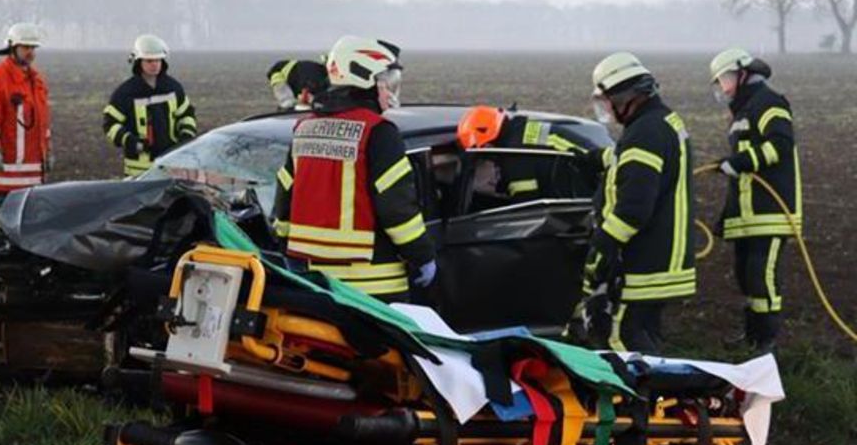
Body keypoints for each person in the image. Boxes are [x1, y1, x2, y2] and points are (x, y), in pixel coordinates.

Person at [271, 36, 437, 303]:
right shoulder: (378, 132)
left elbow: (284, 197)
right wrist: (423, 256)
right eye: (386, 83)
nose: (389, 92)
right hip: (375, 283)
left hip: (318, 283)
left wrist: (286, 247)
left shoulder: (305, 129)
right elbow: (396, 208)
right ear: (365, 80)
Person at [581, 52, 695, 353]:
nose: (608, 110)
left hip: (645, 262)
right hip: (663, 258)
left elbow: (633, 208)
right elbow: (638, 168)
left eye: (608, 101)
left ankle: (643, 399)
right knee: (645, 336)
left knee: (622, 340)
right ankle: (663, 395)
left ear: (626, 97)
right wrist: (602, 158)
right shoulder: (660, 122)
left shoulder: (643, 133)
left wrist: (603, 245)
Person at [709, 48, 802, 352]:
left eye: (725, 79)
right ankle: (752, 337)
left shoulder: (769, 102)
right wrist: (727, 215)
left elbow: (780, 145)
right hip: (746, 217)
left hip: (771, 213)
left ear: (743, 74)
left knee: (762, 280)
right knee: (746, 278)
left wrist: (740, 161)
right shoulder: (743, 111)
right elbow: (743, 173)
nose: (723, 87)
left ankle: (766, 343)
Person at [455, 105, 606, 202]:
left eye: (482, 154)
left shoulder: (514, 156)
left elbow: (525, 205)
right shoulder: (523, 128)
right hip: (597, 181)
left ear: (487, 145)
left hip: (585, 200)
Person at [0, 22, 52, 211]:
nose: (30, 52)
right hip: (8, 167)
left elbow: (43, 121)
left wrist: (47, 151)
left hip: (34, 168)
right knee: (6, 220)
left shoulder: (37, 80)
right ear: (12, 47)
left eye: (33, 47)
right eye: (25, 47)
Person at [102, 34, 196, 177]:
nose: (154, 65)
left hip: (171, 165)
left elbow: (187, 115)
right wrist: (131, 142)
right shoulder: (125, 93)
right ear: (138, 62)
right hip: (138, 171)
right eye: (149, 61)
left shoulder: (173, 88)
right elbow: (110, 124)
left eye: (158, 60)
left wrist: (186, 136)